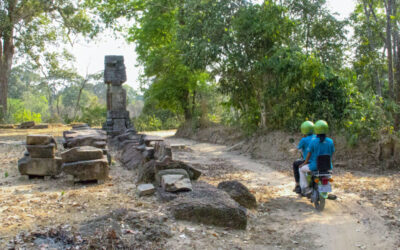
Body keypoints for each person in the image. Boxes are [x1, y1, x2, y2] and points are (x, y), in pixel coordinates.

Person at [299, 120, 335, 195]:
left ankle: (306, 188)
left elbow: (308, 154)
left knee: (301, 170)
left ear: (316, 130)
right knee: (328, 176)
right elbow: (331, 153)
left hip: (315, 166)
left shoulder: (314, 142)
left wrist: (304, 163)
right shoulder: (330, 141)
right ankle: (326, 190)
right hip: (327, 166)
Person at [292, 121, 315, 194]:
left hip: (309, 162)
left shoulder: (304, 140)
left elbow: (297, 149)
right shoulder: (317, 138)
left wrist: (293, 150)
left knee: (295, 164)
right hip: (318, 162)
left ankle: (298, 185)